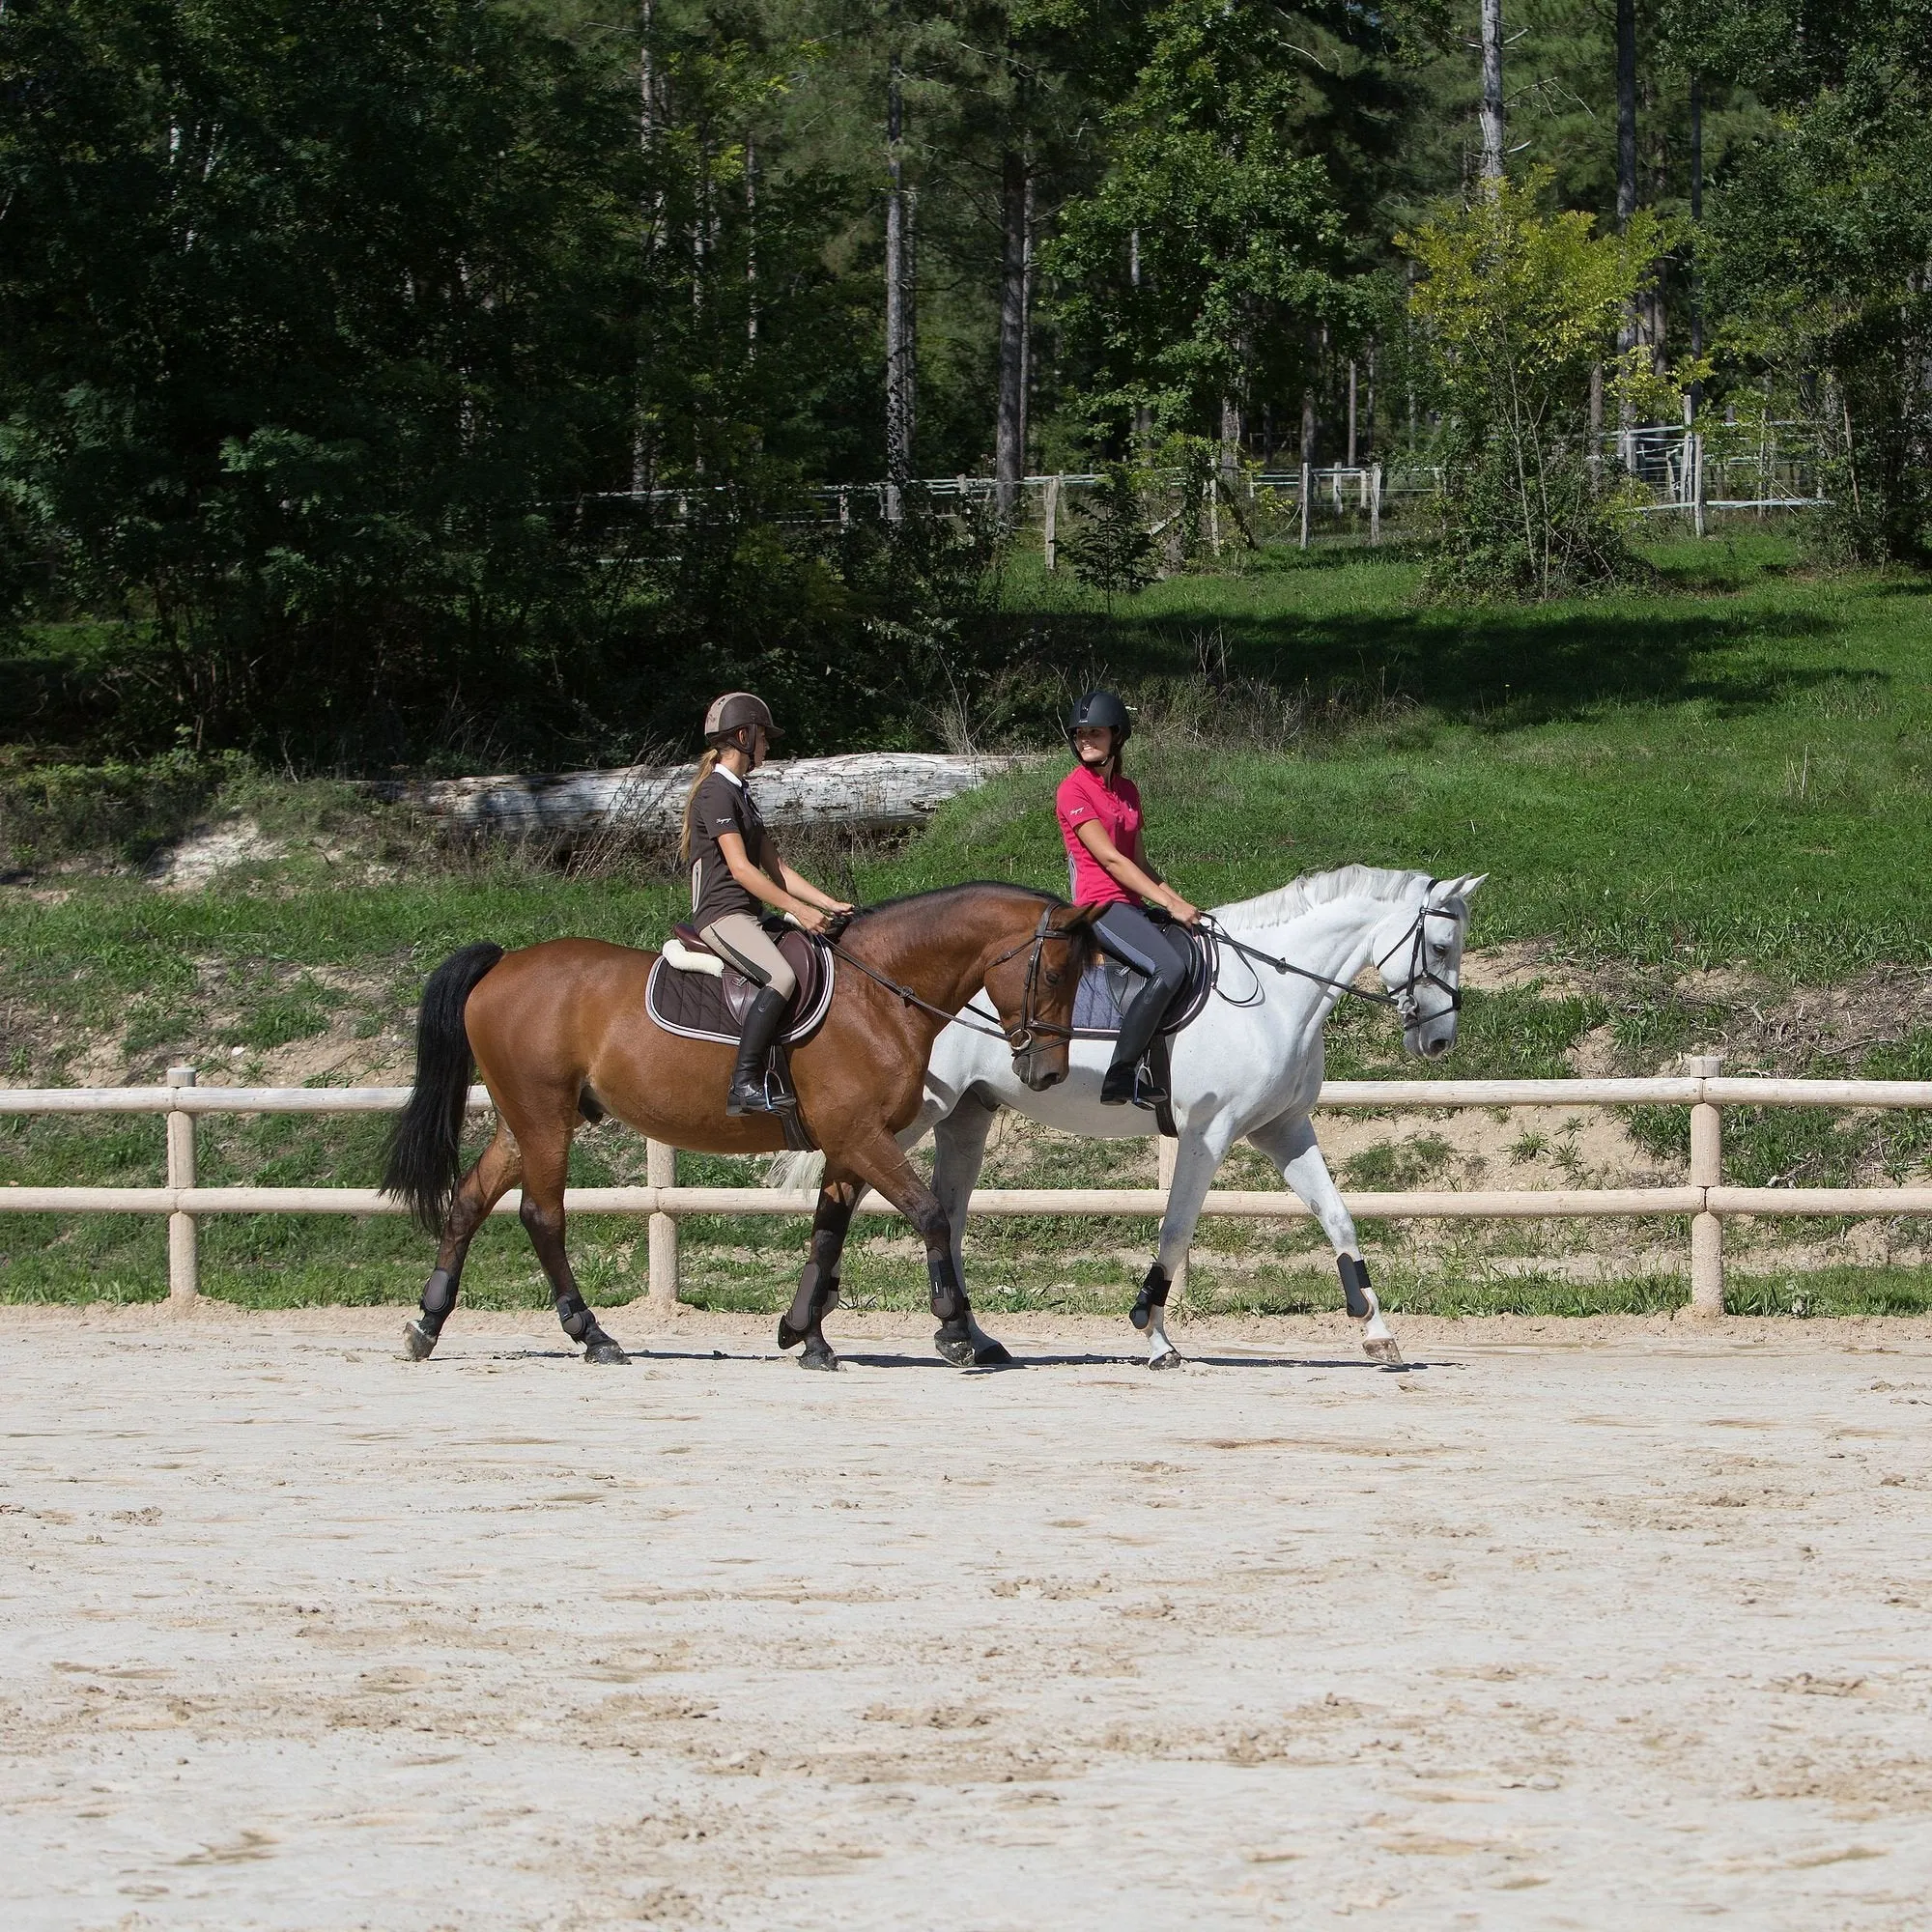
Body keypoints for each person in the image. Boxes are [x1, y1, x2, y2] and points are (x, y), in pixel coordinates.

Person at [680, 693, 854, 1115]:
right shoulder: (715, 794)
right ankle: (744, 1084)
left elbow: (777, 867)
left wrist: (827, 904)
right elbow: (741, 870)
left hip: (750, 913)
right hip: (722, 916)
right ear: (744, 736)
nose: (768, 747)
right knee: (781, 976)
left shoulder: (741, 794)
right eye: (764, 738)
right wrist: (799, 911)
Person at [1055, 689, 1199, 1106]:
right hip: (1099, 906)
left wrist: (1179, 901)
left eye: (1095, 733)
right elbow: (1110, 860)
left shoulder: (1127, 790)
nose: (1086, 741)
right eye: (1080, 734)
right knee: (1168, 967)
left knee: (1190, 950)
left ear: (1117, 736)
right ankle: (1121, 1075)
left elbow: (1139, 861)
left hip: (1131, 904)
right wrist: (1170, 905)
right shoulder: (1073, 790)